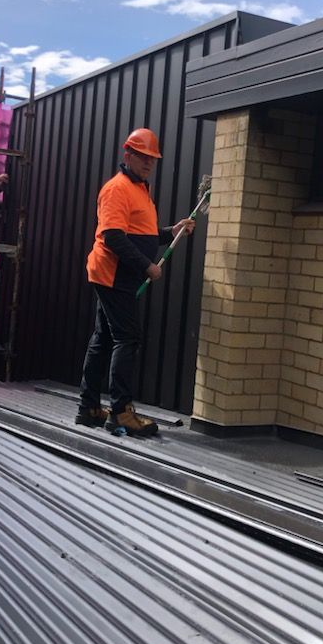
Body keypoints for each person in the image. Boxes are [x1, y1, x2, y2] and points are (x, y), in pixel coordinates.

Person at [77, 127, 195, 438]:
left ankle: (89, 408)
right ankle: (120, 413)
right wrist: (147, 266)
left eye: (152, 159)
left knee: (103, 338)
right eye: (142, 157)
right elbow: (113, 236)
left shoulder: (140, 189)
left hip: (117, 276)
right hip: (113, 276)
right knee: (127, 339)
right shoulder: (118, 189)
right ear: (127, 155)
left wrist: (173, 231)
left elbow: (143, 235)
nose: (148, 163)